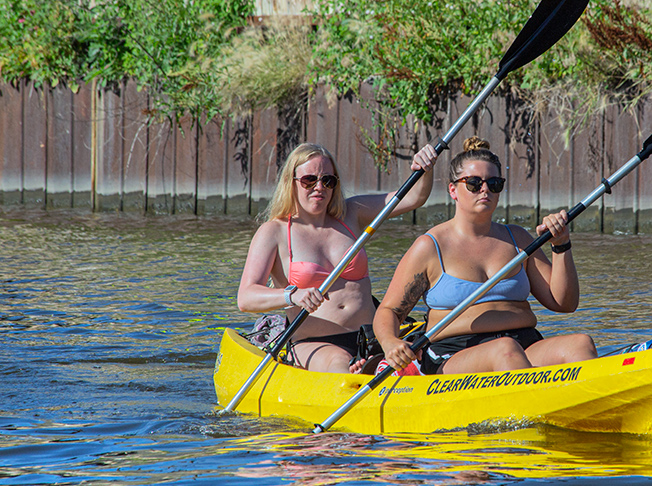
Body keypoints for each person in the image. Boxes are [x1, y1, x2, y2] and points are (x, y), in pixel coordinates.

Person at [373, 136, 598, 375]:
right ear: (453, 190)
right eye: (473, 183)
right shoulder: (429, 247)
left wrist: (561, 245)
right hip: (454, 352)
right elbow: (389, 311)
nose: (485, 190)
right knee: (504, 350)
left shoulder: (518, 239)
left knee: (580, 344)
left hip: (524, 343)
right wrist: (390, 343)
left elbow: (564, 303)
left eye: (494, 183)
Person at [237, 141, 438, 373]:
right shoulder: (274, 231)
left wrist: (424, 169)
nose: (319, 187)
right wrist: (292, 295)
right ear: (290, 183)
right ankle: (354, 373)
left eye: (328, 181)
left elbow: (413, 198)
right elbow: (246, 297)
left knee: (425, 355)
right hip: (315, 344)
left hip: (371, 337)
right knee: (339, 362)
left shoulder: (352, 212)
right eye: (309, 180)